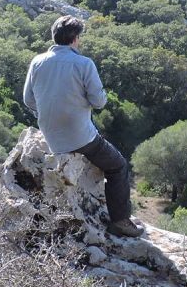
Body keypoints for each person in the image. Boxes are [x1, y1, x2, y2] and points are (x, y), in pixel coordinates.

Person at [23, 15, 145, 238]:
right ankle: (120, 221)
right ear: (76, 39)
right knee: (117, 166)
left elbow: (28, 100)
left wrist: (50, 114)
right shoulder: (84, 64)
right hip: (80, 136)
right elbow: (99, 102)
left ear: (54, 36)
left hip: (51, 135)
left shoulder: (37, 61)